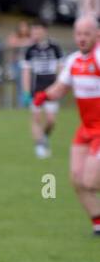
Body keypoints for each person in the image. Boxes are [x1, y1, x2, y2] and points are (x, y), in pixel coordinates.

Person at [34, 15, 100, 236]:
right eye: (78, 34)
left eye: (87, 34)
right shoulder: (73, 61)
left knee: (90, 181)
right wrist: (43, 96)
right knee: (76, 178)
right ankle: (98, 224)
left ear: (97, 35)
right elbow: (61, 88)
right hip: (86, 128)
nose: (82, 38)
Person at [20, 21, 64, 159]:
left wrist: (59, 87)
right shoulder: (30, 50)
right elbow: (26, 72)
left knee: (51, 121)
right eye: (33, 31)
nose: (35, 33)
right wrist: (26, 92)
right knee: (36, 118)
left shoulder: (55, 47)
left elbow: (61, 68)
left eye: (37, 30)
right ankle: (39, 145)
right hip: (36, 90)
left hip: (51, 90)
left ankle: (44, 137)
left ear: (44, 31)